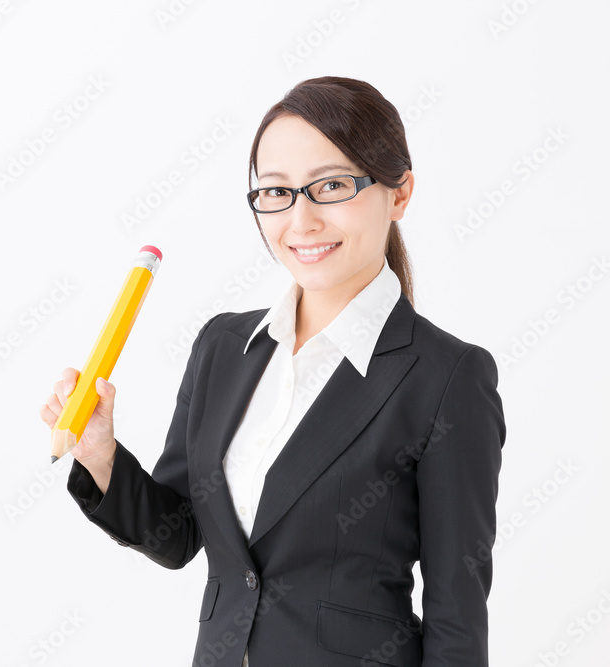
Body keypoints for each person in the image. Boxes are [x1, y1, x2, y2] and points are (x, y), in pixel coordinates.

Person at [39, 76, 506, 666]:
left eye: (332, 185)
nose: (301, 220)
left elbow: (457, 619)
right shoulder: (223, 346)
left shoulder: (448, 377)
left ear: (400, 192)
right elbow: (178, 535)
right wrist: (101, 456)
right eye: (276, 192)